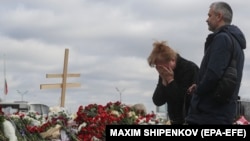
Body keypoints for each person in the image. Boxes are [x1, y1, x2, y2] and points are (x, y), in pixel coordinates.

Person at [186, 1, 246, 124]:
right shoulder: (237, 45)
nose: (207, 20)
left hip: (208, 115)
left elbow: (213, 75)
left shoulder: (222, 39)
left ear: (219, 16)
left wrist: (198, 91)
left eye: (209, 15)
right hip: (222, 113)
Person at [147, 40, 199, 125]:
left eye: (161, 66)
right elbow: (157, 101)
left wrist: (170, 80)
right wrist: (164, 81)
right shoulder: (164, 72)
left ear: (172, 60)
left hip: (190, 120)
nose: (159, 70)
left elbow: (182, 100)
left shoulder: (189, 69)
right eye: (157, 67)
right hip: (174, 120)